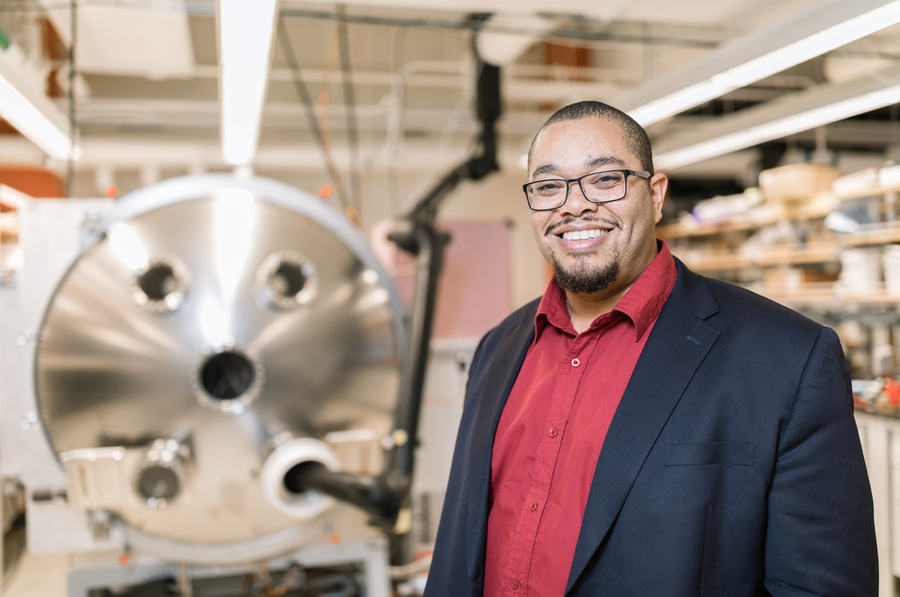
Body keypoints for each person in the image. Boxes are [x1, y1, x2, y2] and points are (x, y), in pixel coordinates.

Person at [423, 100, 878, 597]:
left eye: (604, 179)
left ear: (656, 195)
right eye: (550, 186)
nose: (574, 205)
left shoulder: (788, 358)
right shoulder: (499, 348)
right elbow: (459, 550)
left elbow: (822, 586)